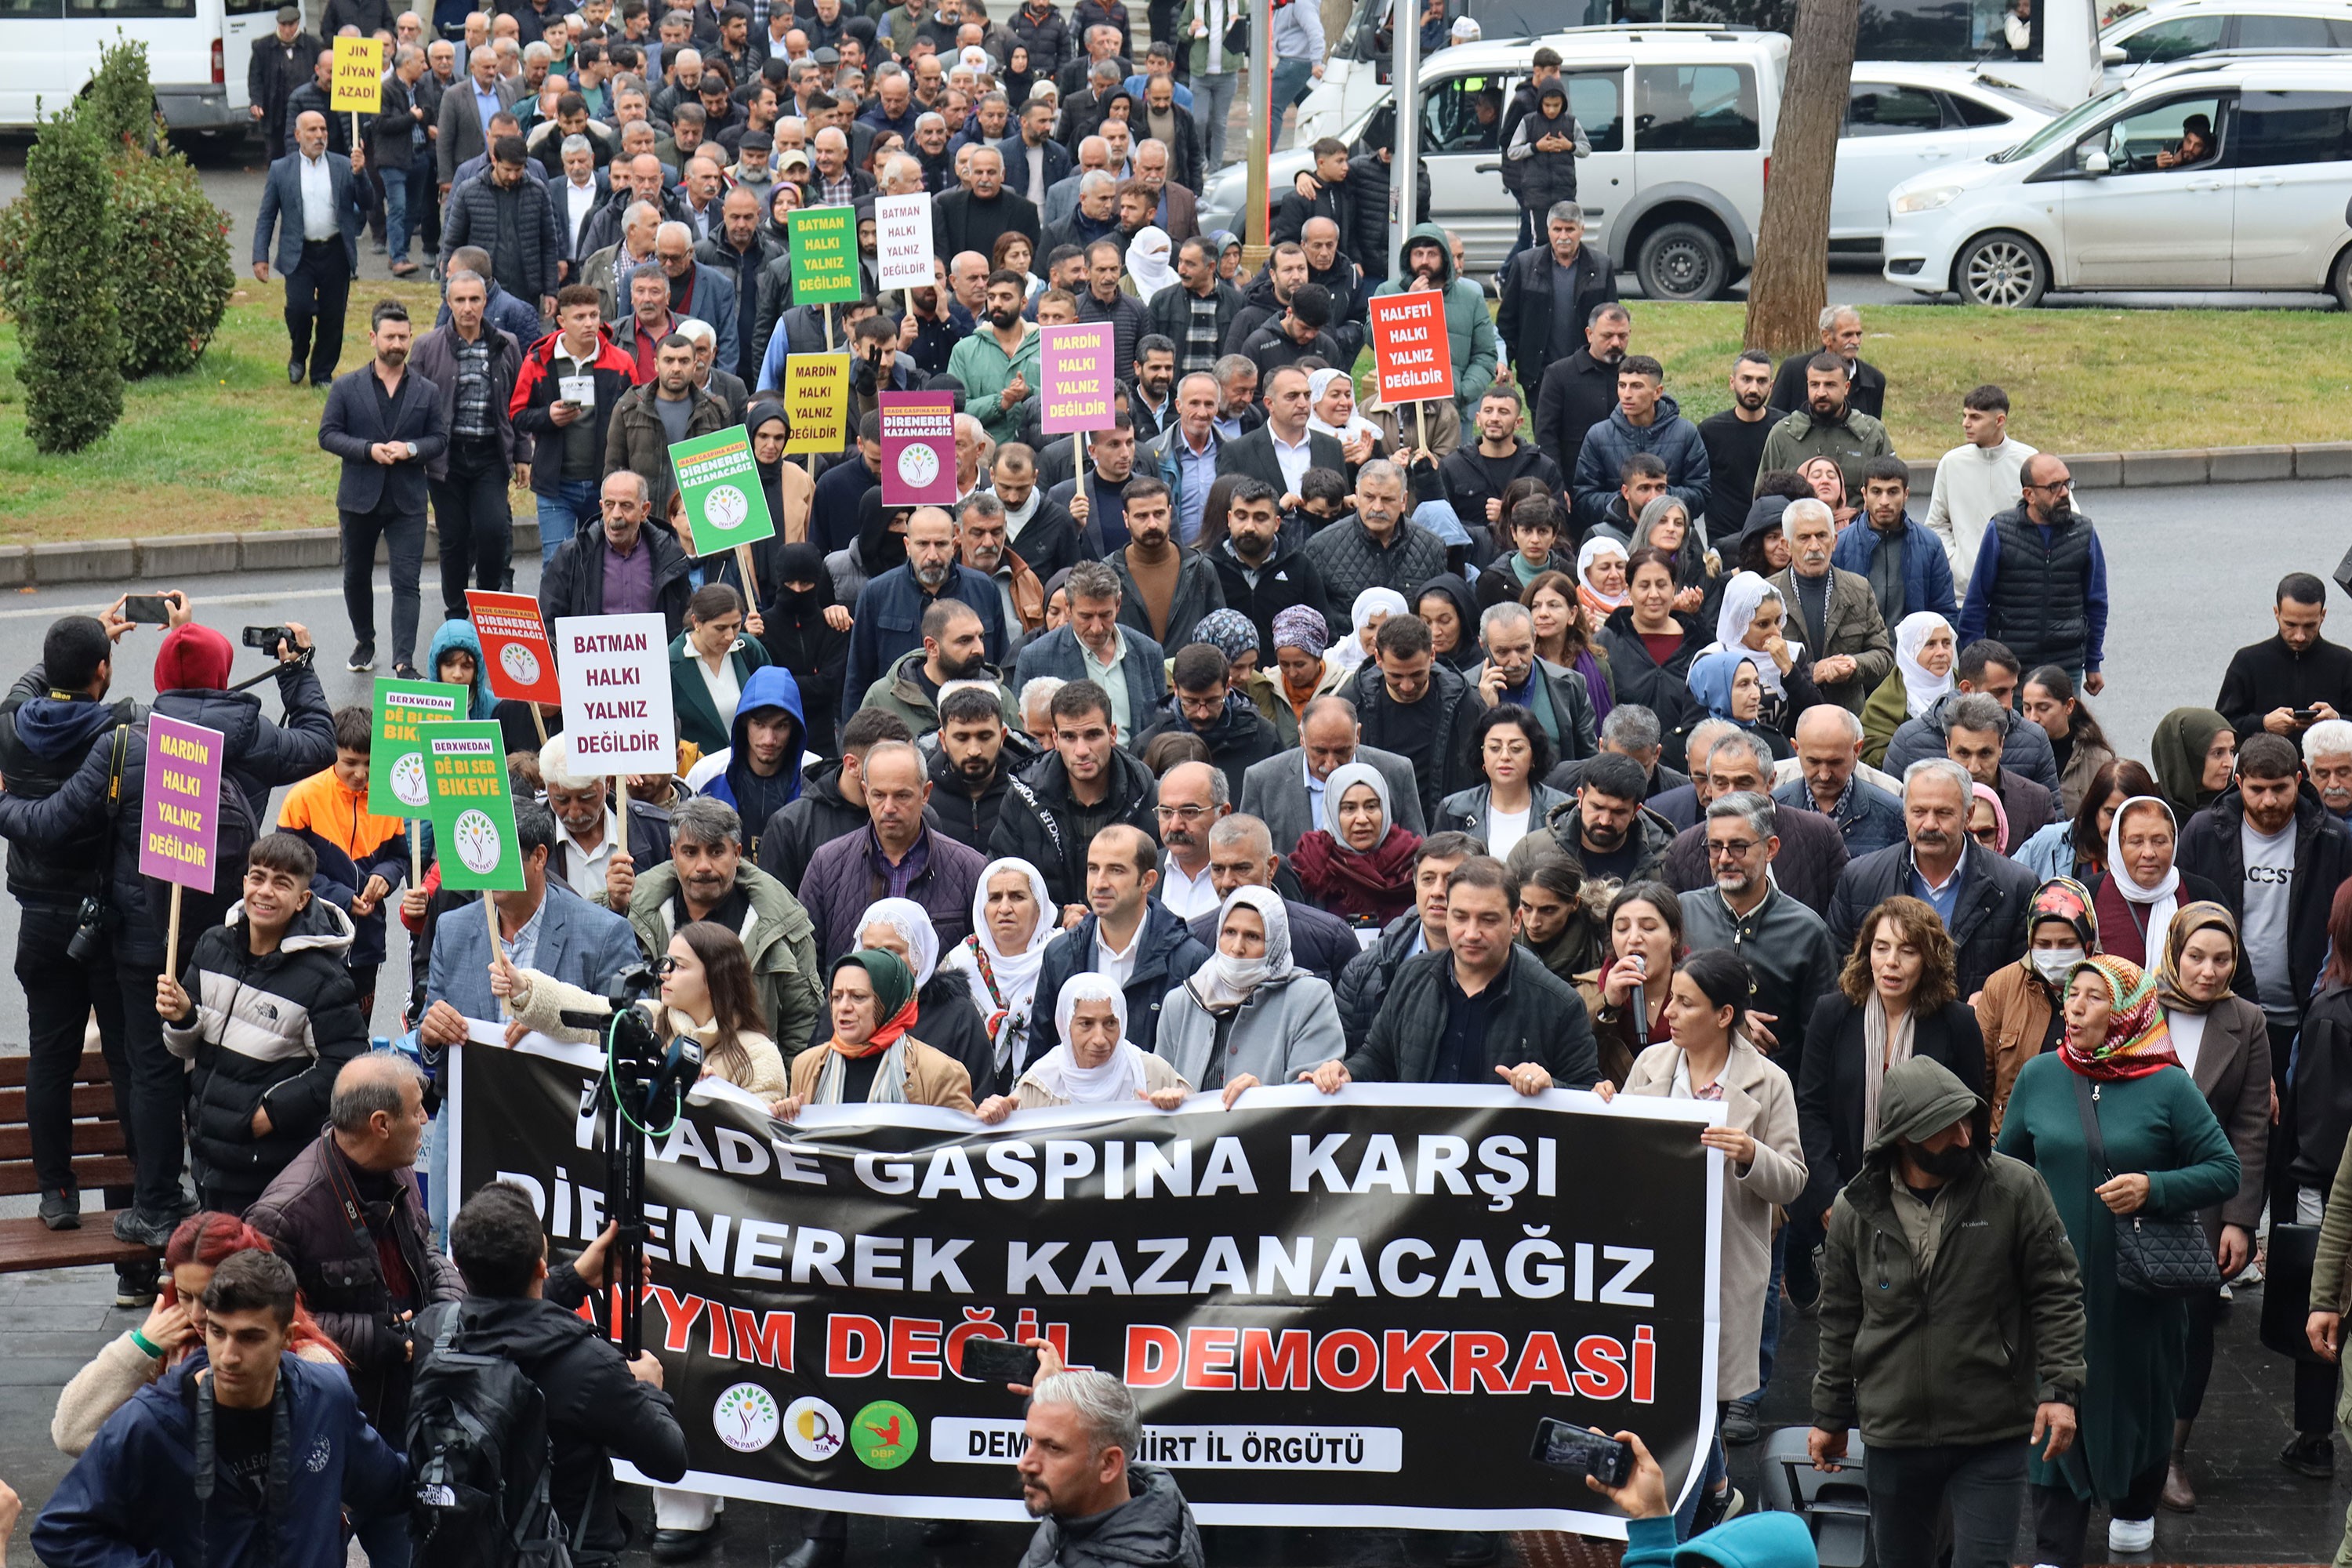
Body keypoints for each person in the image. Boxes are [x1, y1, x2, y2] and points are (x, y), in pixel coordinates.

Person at [1995, 955, 2240, 1566]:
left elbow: (2223, 1169)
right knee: (2052, 1418)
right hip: (2052, 1295)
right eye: (2071, 994)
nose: (2074, 1007)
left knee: (2139, 1416)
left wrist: (2153, 1189)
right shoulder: (2040, 1076)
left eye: (2093, 997)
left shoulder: (2168, 1085)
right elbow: (2005, 1173)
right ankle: (2056, 1551)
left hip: (2139, 1300)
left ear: (2128, 1010)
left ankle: (2133, 1529)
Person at [1810, 1054, 2087, 1568]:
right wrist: (1829, 1414)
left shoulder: (2016, 1189)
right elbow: (1840, 1317)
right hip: (1893, 1432)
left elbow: (2057, 1292)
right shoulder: (1856, 1209)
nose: (1963, 1138)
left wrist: (2061, 1390)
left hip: (1992, 1427)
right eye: (1943, 1128)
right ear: (1903, 1136)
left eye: (1966, 1119)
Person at [1598, 946, 1806, 1535]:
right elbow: (1622, 1157)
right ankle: (1718, 1493)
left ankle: (1675, 1532)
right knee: (1669, 1398)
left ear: (1723, 1015)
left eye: (1686, 1003)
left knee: (1699, 1404)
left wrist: (1749, 1153)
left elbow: (1792, 1179)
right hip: (1653, 1263)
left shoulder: (1770, 1084)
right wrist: (1607, 1113)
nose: (1669, 1012)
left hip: (1725, 1265)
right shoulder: (1649, 1067)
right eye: (1671, 1000)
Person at [31, 1250, 408, 1568]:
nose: (228, 1356)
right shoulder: (149, 1424)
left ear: (287, 1337)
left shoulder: (325, 1396)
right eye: (217, 1332)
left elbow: (388, 1484)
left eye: (249, 1337)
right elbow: (60, 1532)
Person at [244, 1050, 463, 1525]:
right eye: (417, 1110)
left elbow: (426, 1253)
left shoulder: (397, 1166)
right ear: (381, 1124)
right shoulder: (282, 1214)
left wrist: (446, 1313)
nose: (426, 1119)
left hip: (406, 1412)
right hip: (329, 1434)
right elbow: (265, 1327)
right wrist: (375, 1337)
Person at [437, 1181, 691, 1568]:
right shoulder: (591, 1367)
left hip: (464, 1547)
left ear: (460, 1264)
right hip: (566, 1554)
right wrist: (647, 1389)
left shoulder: (432, 1334)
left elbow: (501, 1313)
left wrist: (574, 1279)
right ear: (541, 1265)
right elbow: (670, 1460)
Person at [157, 833, 368, 1214]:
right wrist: (183, 1016)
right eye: (258, 877)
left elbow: (347, 1068)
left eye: (282, 883)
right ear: (245, 883)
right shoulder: (212, 946)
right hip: (208, 1160)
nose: (265, 892)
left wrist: (270, 1114)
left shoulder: (324, 979)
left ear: (303, 899)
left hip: (270, 1170)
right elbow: (183, 1047)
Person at [2141, 902, 2273, 1504]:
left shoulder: (2247, 1021)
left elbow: (2250, 1124)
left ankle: (2172, 1454)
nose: (2209, 971)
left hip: (2204, 1198)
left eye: (2223, 959)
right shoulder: (2138, 1003)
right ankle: (2118, 1445)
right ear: (2174, 952)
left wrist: (2242, 1220)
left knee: (2194, 1329)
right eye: (2196, 956)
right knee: (2119, 1319)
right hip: (2130, 1187)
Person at [51, 1211, 346, 1457]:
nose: (195, 1315)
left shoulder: (310, 1361)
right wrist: (139, 1347)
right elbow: (71, 1433)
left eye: (208, 1299)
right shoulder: (172, 1345)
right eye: (184, 1295)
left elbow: (340, 1469)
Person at [1797, 891, 1990, 1260]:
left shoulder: (1957, 1023)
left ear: (1929, 960)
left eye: (1908, 951)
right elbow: (1810, 1110)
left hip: (1930, 1202)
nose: (1891, 963)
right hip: (1843, 1197)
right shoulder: (1832, 1014)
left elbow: (1970, 1121)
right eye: (1881, 948)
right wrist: (1828, 1197)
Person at [1831, 758, 2037, 1001]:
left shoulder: (2016, 886)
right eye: (1919, 812)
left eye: (1943, 813)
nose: (1929, 824)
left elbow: (2024, 986)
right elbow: (1838, 973)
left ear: (1968, 815)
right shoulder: (1860, 879)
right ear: (1904, 812)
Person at [320, 299, 446, 680]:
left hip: (407, 499)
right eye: (390, 336)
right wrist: (366, 450)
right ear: (373, 337)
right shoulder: (346, 386)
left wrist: (411, 449)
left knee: (406, 581)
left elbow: (438, 438)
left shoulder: (426, 390)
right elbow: (327, 435)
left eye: (403, 337)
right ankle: (365, 641)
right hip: (359, 498)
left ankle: (404, 661)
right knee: (356, 575)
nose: (397, 343)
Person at [1680, 789, 1838, 1077]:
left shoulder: (1807, 930)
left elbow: (1820, 1041)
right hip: (1689, 1090)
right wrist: (1732, 1024)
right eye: (1715, 847)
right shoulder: (1682, 913)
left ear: (1771, 848)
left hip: (1773, 1091)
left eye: (1738, 847)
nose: (1725, 859)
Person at [1026, 822, 1207, 1062]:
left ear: (1148, 881)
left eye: (1116, 870)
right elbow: (1041, 1057)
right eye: (1093, 869)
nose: (1100, 883)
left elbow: (1196, 1059)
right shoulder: (1060, 954)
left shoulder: (1188, 959)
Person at [797, 739, 986, 962]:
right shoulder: (827, 865)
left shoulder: (970, 870)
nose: (888, 807)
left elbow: (986, 963)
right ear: (865, 792)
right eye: (879, 795)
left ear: (925, 794)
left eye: (901, 796)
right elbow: (806, 965)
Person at [411, 270, 524, 621]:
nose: (467, 307)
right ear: (448, 303)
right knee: (454, 538)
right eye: (459, 300)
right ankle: (457, 613)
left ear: (485, 301)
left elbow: (518, 404)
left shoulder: (507, 343)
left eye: (474, 299)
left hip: (490, 455)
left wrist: (523, 454)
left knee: (493, 531)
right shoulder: (428, 347)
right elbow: (413, 403)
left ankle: (487, 605)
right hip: (446, 460)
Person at [992, 679, 1162, 909]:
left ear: (1112, 734)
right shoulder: (1022, 797)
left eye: (1093, 735)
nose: (1082, 751)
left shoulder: (1148, 797)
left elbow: (1163, 883)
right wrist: (1058, 918)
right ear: (1055, 738)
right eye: (1070, 737)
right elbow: (1001, 878)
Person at [1958, 454, 2107, 694]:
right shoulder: (2000, 531)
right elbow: (1976, 603)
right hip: (2009, 668)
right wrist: (1974, 668)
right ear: (2029, 495)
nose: (2064, 493)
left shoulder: (2084, 533)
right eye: (2053, 487)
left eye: (2067, 483)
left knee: (2062, 731)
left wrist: (2093, 662)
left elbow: (2097, 603)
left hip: (2065, 665)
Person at [514, 285, 641, 564]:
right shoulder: (538, 360)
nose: (589, 323)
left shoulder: (621, 362)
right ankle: (556, 611)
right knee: (556, 563)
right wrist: (548, 417)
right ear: (561, 322)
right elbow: (518, 414)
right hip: (556, 484)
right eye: (580, 317)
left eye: (594, 315)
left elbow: (636, 415)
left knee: (603, 563)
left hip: (605, 482)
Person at [772, 946, 978, 1117]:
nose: (844, 1007)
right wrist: (785, 1121)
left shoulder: (939, 1072)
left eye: (858, 997)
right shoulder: (807, 1065)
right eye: (836, 997)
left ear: (888, 1002)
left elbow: (960, 1151)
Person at [255, 111, 377, 389]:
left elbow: (368, 202)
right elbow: (267, 215)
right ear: (298, 135)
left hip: (335, 251)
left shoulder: (344, 165)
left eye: (323, 129)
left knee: (332, 317)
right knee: (299, 308)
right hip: (300, 253)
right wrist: (259, 255)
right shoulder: (281, 169)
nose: (319, 135)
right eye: (312, 130)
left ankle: (322, 373)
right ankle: (299, 351)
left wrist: (361, 174)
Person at [978, 969, 1193, 1117]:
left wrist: (1179, 1106)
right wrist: (995, 1115)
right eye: (1086, 1024)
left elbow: (1200, 1131)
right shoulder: (1040, 1085)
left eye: (1110, 1023)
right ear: (1065, 1027)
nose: (1099, 1039)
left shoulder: (1154, 1074)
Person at [1882, 638, 2060, 793]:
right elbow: (1891, 816)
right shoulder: (1909, 740)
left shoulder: (2033, 740)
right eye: (1998, 692)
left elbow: (2051, 818)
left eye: (2012, 691)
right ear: (1967, 689)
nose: (2008, 704)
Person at [1770, 498, 1892, 713]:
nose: (1815, 546)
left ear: (1834, 541)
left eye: (1822, 536)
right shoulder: (1768, 593)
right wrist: (1812, 672)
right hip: (1789, 718)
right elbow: (1754, 664)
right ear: (1787, 545)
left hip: (1846, 717)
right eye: (1804, 538)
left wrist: (1853, 665)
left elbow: (1884, 655)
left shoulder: (1859, 589)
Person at [1302, 461, 1449, 637]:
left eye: (1387, 499)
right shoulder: (1321, 547)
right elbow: (1311, 621)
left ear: (1403, 500)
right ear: (1357, 495)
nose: (1378, 508)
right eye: (1369, 497)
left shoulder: (1431, 548)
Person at [1369, 223, 1498, 420]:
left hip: (1452, 409)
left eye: (1432, 254)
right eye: (1418, 254)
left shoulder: (1470, 298)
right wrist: (1408, 303)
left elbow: (1485, 354)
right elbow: (1372, 339)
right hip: (1400, 408)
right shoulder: (1388, 292)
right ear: (1408, 257)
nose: (1424, 261)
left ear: (1444, 257)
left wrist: (1461, 392)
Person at [539, 469, 696, 631]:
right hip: (591, 656)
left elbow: (684, 622)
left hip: (656, 656)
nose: (616, 515)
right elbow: (548, 622)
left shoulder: (670, 555)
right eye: (609, 505)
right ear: (601, 506)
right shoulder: (572, 556)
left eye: (626, 506)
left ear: (644, 511)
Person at [1571, 356, 1709, 537]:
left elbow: (1700, 493)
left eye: (1637, 386)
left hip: (1670, 535)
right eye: (1622, 385)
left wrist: (1657, 497)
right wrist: (1628, 502)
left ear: (1657, 392)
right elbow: (1584, 496)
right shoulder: (1598, 435)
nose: (1627, 394)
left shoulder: (1685, 433)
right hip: (1618, 535)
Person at [1495, 201, 1615, 397]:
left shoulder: (1602, 266)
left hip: (1587, 371)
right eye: (1557, 229)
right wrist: (1504, 361)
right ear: (1548, 230)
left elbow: (1612, 322)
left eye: (1570, 229)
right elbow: (1508, 321)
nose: (1563, 236)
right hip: (1538, 374)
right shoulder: (1524, 265)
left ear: (1582, 230)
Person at [2218, 572, 2352, 743]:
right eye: (2291, 624)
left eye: (2310, 625)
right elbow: (2221, 728)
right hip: (2262, 768)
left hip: (2329, 769)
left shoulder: (2345, 662)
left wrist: (2337, 721)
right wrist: (2263, 724)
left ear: (2322, 616)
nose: (2300, 636)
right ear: (2277, 613)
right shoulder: (2247, 661)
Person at [1924, 383, 2037, 587]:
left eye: (1975, 417)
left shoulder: (2029, 461)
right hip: (1963, 594)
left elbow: (2061, 515)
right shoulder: (1951, 463)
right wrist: (1957, 565)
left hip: (2019, 590)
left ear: (1999, 421)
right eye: (1965, 415)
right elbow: (1936, 524)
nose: (1965, 423)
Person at [1290, 759, 1424, 928]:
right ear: (1332, 813)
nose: (1362, 819)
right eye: (1349, 808)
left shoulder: (1411, 861)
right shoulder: (1311, 863)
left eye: (1371, 806)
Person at [683, 662, 808, 837]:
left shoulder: (813, 775)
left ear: (795, 727)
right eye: (759, 725)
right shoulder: (706, 774)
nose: (769, 740)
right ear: (743, 721)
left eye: (781, 726)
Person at [1436, 701, 1568, 860]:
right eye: (1494, 748)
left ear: (1534, 756)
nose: (1505, 756)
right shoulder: (1453, 810)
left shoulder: (1563, 811)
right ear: (1482, 755)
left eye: (1516, 749)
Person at [1756, 353, 1894, 503]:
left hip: (1857, 523)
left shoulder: (1872, 434)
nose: (1821, 393)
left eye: (1830, 385)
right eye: (1814, 385)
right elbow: (1763, 502)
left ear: (1846, 387)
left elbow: (1891, 495)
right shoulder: (1783, 435)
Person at [667, 582, 771, 754]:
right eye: (720, 628)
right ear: (696, 622)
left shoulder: (749, 649)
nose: (730, 636)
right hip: (699, 772)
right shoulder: (670, 663)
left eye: (736, 626)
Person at [2020, 666, 2115, 818]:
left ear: (2069, 706)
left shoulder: (2099, 760)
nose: (2032, 717)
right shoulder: (2014, 754)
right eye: (2027, 708)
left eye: (2043, 708)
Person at [1862, 612, 1953, 767]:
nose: (1941, 652)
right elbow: (1868, 754)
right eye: (1930, 644)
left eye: (1946, 643)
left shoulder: (1966, 686)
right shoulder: (1885, 699)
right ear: (1909, 652)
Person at [1769, 304, 1885, 423]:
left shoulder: (1874, 380)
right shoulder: (1794, 370)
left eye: (1858, 334)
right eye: (1847, 335)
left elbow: (1873, 434)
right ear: (1826, 337)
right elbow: (1773, 421)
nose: (1855, 341)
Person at [2151, 706, 2238, 823]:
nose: (2230, 763)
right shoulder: (2149, 809)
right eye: (2218, 753)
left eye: (2231, 751)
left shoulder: (2241, 806)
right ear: (2186, 756)